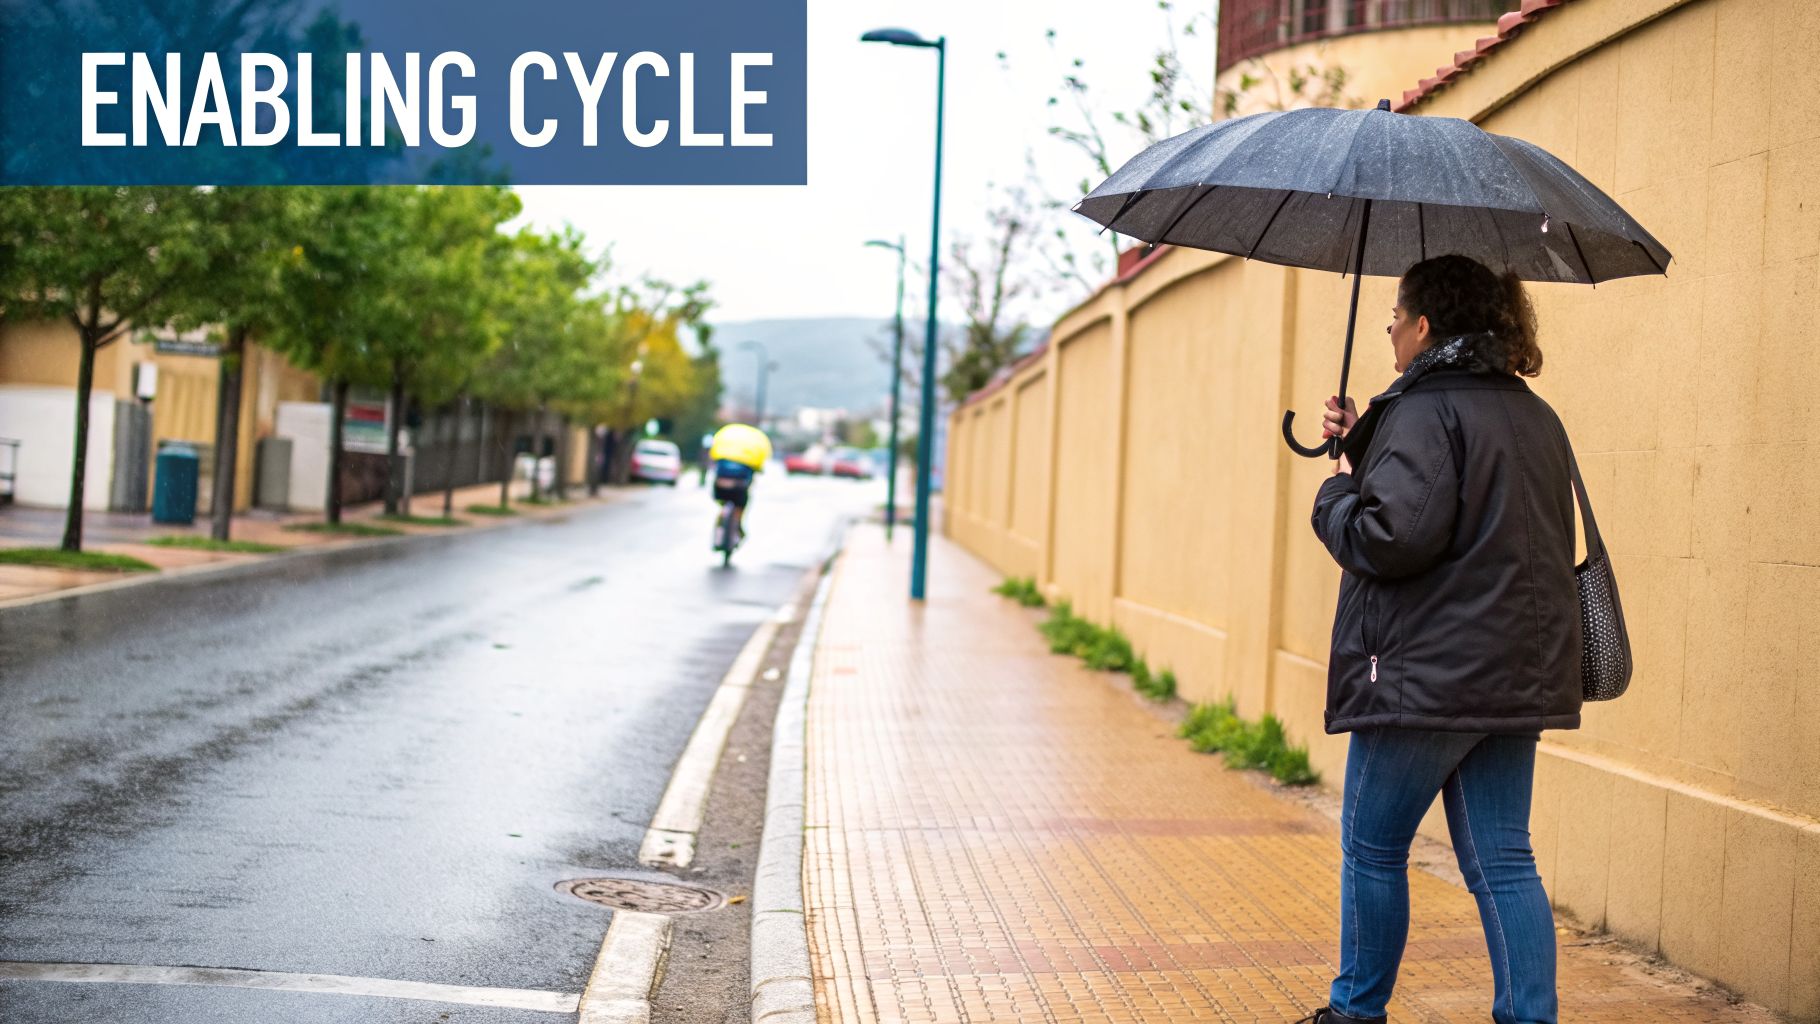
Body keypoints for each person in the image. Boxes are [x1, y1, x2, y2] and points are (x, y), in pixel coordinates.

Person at [1297, 254, 1580, 1024]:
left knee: (1374, 847)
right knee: (1503, 860)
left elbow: (1393, 536)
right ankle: (1530, 1016)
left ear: (1424, 326)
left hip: (1429, 679)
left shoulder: (1425, 409)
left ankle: (1355, 1013)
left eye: (1396, 315)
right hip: (1516, 676)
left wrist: (1337, 491)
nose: (1388, 327)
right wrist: (1369, 446)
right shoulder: (1534, 415)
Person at [707, 423, 772, 541]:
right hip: (739, 489)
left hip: (720, 488)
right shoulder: (755, 446)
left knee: (722, 499)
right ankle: (738, 523)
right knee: (742, 502)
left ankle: (722, 516)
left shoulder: (724, 442)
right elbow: (759, 466)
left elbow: (713, 456)